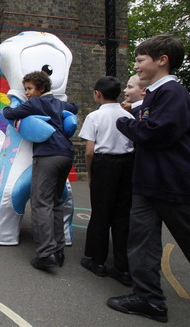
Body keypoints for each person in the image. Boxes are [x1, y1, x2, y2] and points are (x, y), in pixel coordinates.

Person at [108, 35, 190, 323]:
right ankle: (149, 300)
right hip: (147, 183)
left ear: (162, 60)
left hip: (172, 183)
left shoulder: (173, 93)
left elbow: (157, 133)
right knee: (142, 243)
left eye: (141, 60)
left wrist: (124, 122)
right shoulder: (154, 95)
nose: (137, 66)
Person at [3, 71, 78, 270]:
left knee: (41, 203)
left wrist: (7, 106)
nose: (27, 93)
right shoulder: (60, 104)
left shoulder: (35, 103)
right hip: (66, 155)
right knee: (55, 202)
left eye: (29, 88)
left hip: (48, 155)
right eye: (25, 89)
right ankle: (58, 250)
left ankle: (45, 254)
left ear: (41, 88)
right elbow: (75, 108)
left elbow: (9, 114)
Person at [78, 76, 134, 286]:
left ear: (98, 94)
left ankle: (97, 260)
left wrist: (91, 176)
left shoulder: (94, 117)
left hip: (105, 165)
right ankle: (123, 267)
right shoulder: (128, 115)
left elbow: (90, 152)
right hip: (127, 164)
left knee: (101, 213)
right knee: (122, 216)